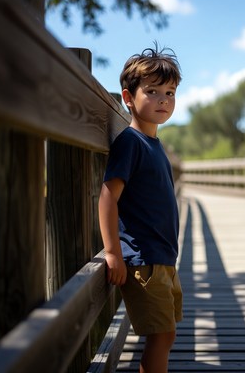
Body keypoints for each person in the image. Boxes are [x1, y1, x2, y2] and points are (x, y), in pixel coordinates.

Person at [98, 43, 183, 373]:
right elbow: (108, 196)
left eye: (170, 92)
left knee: (167, 334)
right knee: (161, 335)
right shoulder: (130, 142)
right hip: (143, 261)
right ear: (128, 97)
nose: (163, 99)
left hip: (163, 258)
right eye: (152, 91)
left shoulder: (155, 145)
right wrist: (112, 251)